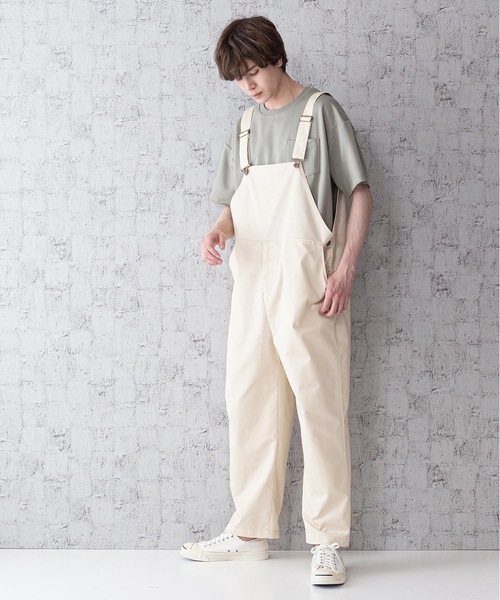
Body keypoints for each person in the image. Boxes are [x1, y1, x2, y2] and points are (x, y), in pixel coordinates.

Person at [180, 15, 373, 586]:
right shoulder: (244, 125)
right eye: (238, 78)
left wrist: (346, 270)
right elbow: (233, 205)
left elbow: (359, 192)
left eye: (253, 72)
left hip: (309, 278)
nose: (248, 86)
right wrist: (218, 231)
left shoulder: (321, 112)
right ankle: (249, 533)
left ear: (276, 57)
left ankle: (327, 542)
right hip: (252, 276)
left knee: (319, 402)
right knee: (249, 398)